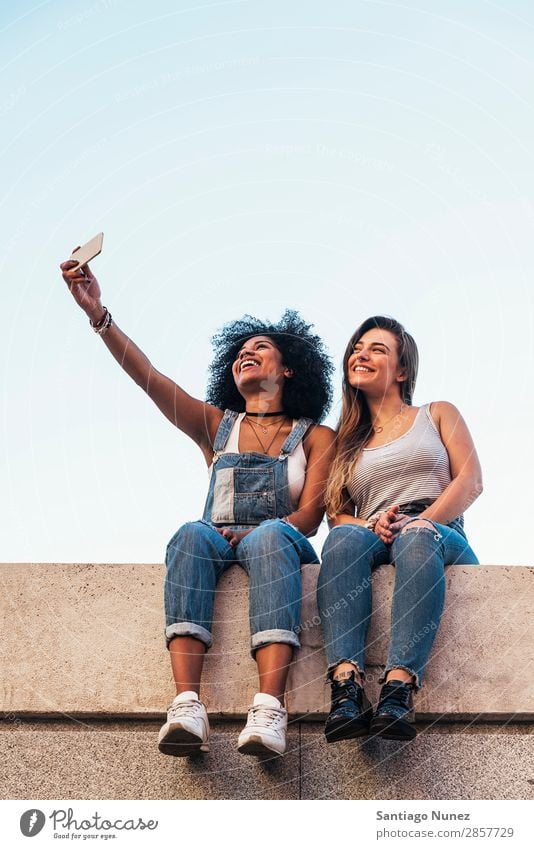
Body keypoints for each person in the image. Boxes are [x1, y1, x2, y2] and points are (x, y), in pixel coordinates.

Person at [60, 252, 335, 758]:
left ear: (290, 368)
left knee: (275, 534)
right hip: (216, 536)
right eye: (240, 351)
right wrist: (98, 314)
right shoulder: (217, 425)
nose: (245, 354)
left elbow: (311, 517)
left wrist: (260, 532)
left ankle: (269, 708)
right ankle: (187, 704)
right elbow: (148, 377)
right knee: (189, 532)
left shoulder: (315, 436)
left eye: (261, 348)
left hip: (279, 538)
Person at [317, 316, 482, 742]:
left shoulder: (436, 413)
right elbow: (337, 513)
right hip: (378, 529)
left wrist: (422, 520)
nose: (361, 354)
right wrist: (372, 521)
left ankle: (398, 687)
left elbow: (470, 480)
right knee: (342, 537)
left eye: (376, 349)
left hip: (439, 531)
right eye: (357, 348)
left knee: (416, 536)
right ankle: (346, 686)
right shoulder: (348, 441)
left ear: (402, 370)